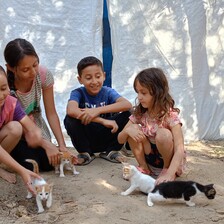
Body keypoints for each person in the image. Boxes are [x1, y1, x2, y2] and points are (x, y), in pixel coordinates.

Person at [4, 38, 77, 171]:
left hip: (36, 131)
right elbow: (19, 124)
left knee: (52, 161)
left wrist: (61, 145)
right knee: (33, 163)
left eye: (35, 64)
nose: (33, 72)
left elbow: (51, 113)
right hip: (15, 135)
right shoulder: (5, 88)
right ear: (10, 68)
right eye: (25, 69)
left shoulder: (43, 75)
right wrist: (46, 145)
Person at [118, 67, 186, 185]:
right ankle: (144, 168)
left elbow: (180, 148)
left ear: (158, 92)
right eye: (138, 92)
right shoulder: (140, 113)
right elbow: (120, 139)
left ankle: (165, 169)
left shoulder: (170, 116)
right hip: (150, 158)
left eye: (143, 93)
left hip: (169, 160)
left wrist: (170, 172)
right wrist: (128, 131)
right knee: (132, 129)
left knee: (163, 134)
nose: (139, 97)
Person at [64, 56, 132, 165]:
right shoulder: (78, 93)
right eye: (88, 78)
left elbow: (127, 104)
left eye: (98, 76)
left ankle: (111, 151)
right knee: (70, 119)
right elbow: (71, 110)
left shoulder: (108, 92)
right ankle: (85, 153)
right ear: (80, 79)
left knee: (129, 114)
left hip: (108, 134)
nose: (94, 81)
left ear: (104, 76)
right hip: (87, 137)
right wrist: (102, 120)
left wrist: (97, 110)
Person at [0, 65, 40, 194]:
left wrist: (52, 146)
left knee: (16, 127)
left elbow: (30, 127)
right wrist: (22, 170)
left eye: (3, 88)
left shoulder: (10, 102)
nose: (1, 95)